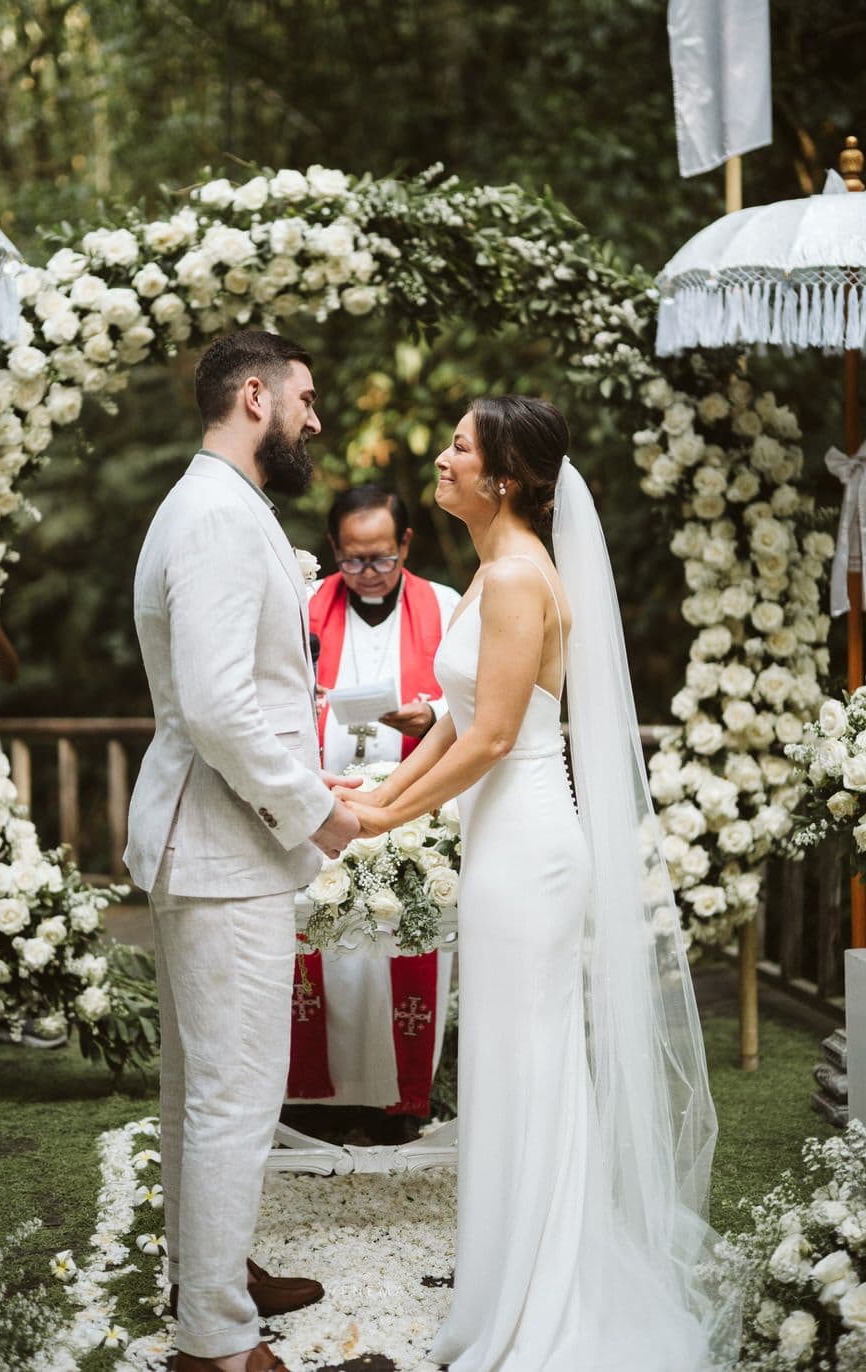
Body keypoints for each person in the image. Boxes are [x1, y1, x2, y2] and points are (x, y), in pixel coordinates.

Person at [336, 396, 738, 1372]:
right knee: (508, 1068)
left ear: (502, 476)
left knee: (528, 1066)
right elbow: (450, 719)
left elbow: (493, 738)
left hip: (528, 846)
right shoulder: (489, 573)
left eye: (459, 448)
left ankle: (540, 1305)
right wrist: (374, 791)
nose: (440, 458)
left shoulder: (519, 578)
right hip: (500, 844)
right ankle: (505, 1283)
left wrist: (383, 819)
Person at [124, 330, 361, 1372]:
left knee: (200, 1087)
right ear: (255, 396)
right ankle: (214, 1344)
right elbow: (220, 706)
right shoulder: (218, 515)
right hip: (224, 851)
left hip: (211, 842)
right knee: (233, 1094)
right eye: (305, 398)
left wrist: (311, 783)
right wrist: (313, 808)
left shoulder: (213, 503)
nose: (315, 418)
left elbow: (243, 694)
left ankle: (204, 1273)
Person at [286, 485, 459, 1122]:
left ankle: (400, 1099)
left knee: (403, 949)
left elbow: (473, 702)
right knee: (324, 955)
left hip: (413, 809)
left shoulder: (443, 606)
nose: (366, 574)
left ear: (405, 545)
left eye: (381, 559)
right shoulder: (303, 606)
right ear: (334, 547)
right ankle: (316, 1103)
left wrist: (430, 714)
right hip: (321, 809)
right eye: (353, 559)